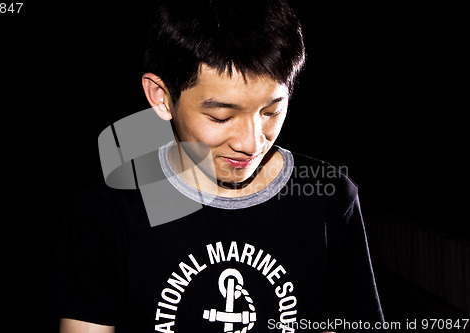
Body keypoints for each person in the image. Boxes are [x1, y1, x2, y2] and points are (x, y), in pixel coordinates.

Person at [49, 0, 384, 332]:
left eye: (271, 112)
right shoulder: (105, 214)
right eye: (221, 116)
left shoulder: (328, 197)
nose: (251, 143)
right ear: (161, 96)